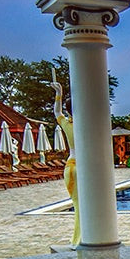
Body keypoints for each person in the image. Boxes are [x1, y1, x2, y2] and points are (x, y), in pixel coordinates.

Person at [52, 67, 80, 247]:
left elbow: (57, 113)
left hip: (69, 167)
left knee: (78, 206)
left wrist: (59, 94)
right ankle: (80, 239)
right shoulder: (86, 125)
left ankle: (77, 239)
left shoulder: (67, 124)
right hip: (82, 168)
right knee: (85, 207)